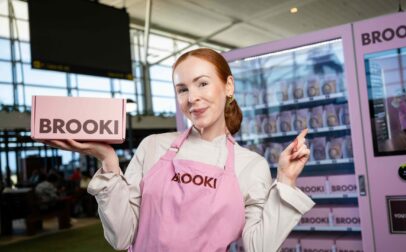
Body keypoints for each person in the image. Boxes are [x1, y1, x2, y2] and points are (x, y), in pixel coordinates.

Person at [42, 48, 315, 252]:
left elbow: (259, 247)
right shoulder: (153, 147)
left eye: (203, 83)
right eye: (182, 89)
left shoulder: (250, 165)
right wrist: (108, 160)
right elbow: (121, 237)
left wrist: (287, 180)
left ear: (228, 86)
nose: (192, 97)